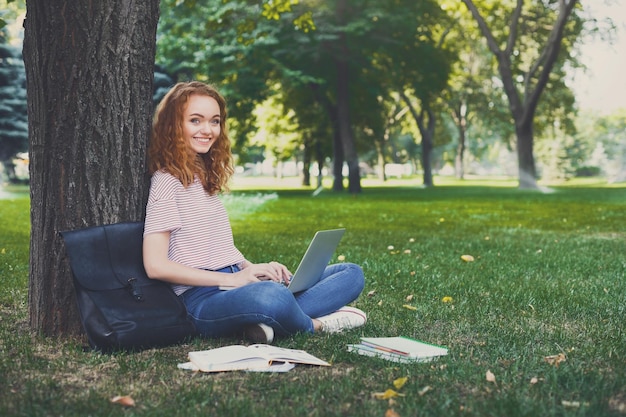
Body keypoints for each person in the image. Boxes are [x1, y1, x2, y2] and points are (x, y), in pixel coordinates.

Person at [142, 81, 366, 344]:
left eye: (215, 121)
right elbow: (155, 266)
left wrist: (254, 269)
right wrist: (236, 280)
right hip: (199, 300)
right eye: (195, 120)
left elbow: (219, 250)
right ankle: (315, 325)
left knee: (351, 274)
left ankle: (267, 320)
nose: (207, 130)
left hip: (236, 284)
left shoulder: (205, 177)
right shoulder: (166, 181)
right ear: (173, 125)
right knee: (270, 297)